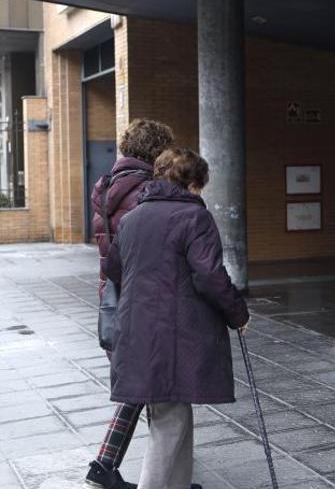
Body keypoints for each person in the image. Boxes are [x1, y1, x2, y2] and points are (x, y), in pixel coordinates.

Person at [105, 147, 249, 489]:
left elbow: (114, 268)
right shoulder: (193, 217)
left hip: (137, 328)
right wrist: (237, 314)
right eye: (200, 183)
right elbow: (210, 276)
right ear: (192, 182)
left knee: (172, 410)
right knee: (169, 418)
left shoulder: (132, 218)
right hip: (174, 333)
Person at [85, 119, 177, 489]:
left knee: (142, 384)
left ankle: (116, 466)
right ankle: (125, 469)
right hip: (142, 296)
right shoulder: (145, 190)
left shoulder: (106, 184)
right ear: (156, 150)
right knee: (149, 385)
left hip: (113, 291)